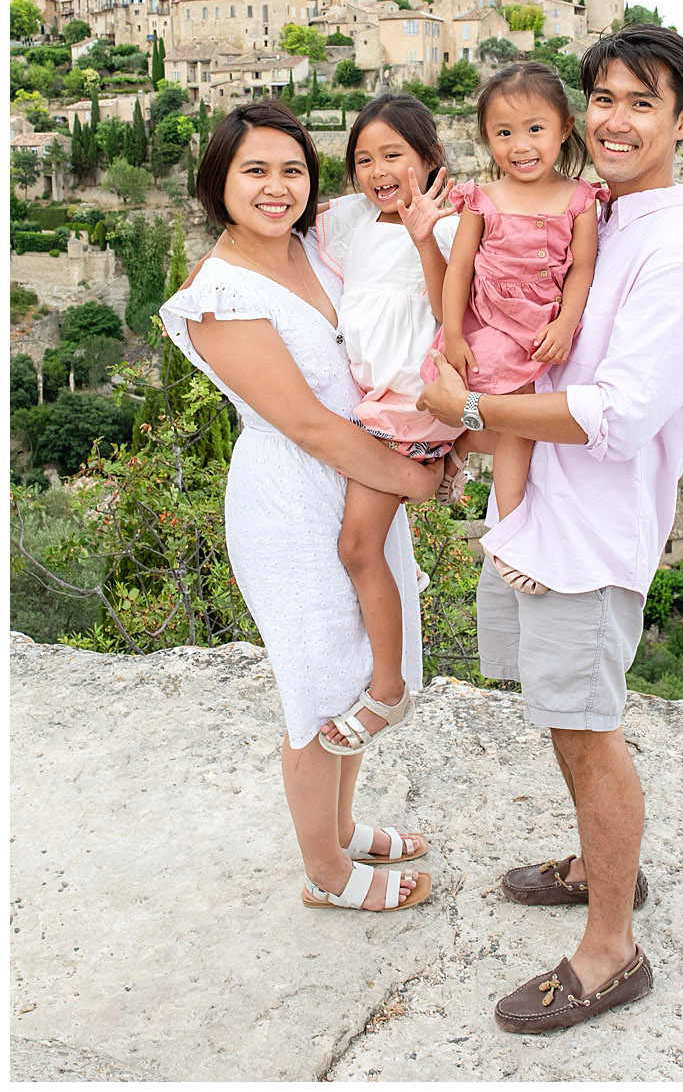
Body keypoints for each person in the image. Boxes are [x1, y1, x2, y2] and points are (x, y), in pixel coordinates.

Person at [418, 24, 683, 1032]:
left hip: (590, 537)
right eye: (603, 98)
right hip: (539, 519)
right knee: (563, 716)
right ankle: (605, 869)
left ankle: (611, 950)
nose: (615, 120)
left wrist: (472, 410)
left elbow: (618, 416)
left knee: (592, 732)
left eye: (643, 102)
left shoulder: (678, 257)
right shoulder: (603, 215)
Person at [158, 102, 441, 913]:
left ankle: (343, 826)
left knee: (354, 672)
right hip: (292, 497)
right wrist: (413, 478)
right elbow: (310, 424)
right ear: (218, 181)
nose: (276, 187)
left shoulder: (317, 244)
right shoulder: (219, 295)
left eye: (292, 169)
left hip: (359, 482)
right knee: (316, 687)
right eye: (254, 170)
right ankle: (325, 871)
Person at [312, 94, 466, 755]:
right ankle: (404, 576)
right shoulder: (356, 222)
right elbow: (298, 219)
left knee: (356, 547)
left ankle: (388, 689)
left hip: (408, 407)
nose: (377, 170)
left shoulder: (446, 227)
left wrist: (424, 234)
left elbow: (450, 310)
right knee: (363, 545)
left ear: (429, 158)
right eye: (364, 158)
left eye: (393, 155)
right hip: (377, 405)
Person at [428, 60, 600, 595]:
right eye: (503, 133)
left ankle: (462, 459)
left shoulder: (580, 199)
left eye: (534, 129)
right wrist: (453, 335)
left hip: (542, 330)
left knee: (514, 425)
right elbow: (459, 268)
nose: (520, 145)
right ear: (487, 138)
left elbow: (583, 269)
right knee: (517, 424)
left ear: (564, 128)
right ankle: (508, 532)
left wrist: (567, 323)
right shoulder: (483, 199)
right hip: (494, 326)